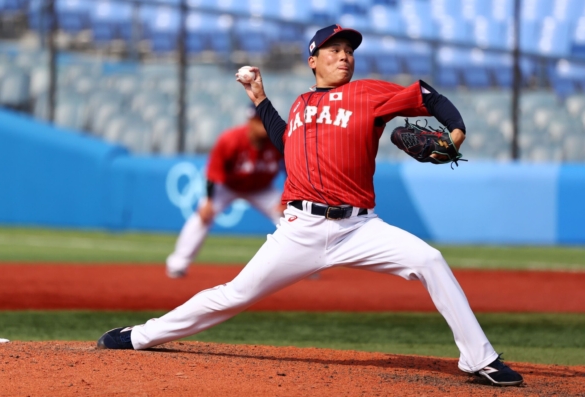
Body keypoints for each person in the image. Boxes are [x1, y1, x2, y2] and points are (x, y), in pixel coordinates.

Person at [97, 24, 523, 387]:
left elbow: (427, 95)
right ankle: (139, 336)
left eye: (350, 51)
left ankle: (479, 358)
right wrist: (259, 99)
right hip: (300, 229)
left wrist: (457, 132)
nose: (345, 57)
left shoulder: (369, 94)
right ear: (313, 60)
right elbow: (285, 140)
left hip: (360, 228)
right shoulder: (301, 104)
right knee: (233, 294)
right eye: (334, 50)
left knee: (429, 260)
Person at [165, 104, 285, 278]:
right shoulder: (231, 139)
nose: (263, 126)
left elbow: (292, 169)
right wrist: (208, 201)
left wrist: (288, 198)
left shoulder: (277, 140)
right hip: (228, 187)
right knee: (203, 216)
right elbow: (213, 173)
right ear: (250, 121)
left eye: (265, 122)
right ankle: (178, 264)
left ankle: (303, 265)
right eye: (259, 122)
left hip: (261, 189)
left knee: (290, 216)